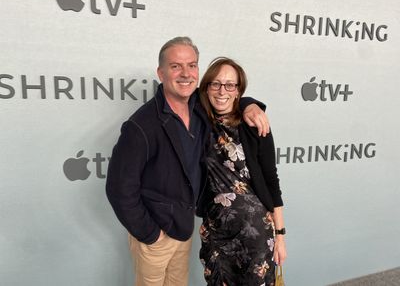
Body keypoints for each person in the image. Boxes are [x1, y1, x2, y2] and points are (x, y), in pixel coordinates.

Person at [105, 37, 270, 286]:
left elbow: (227, 96)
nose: (185, 74)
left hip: (184, 229)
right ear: (160, 73)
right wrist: (150, 234)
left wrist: (250, 105)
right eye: (176, 66)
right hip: (155, 235)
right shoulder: (141, 126)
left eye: (192, 65)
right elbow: (119, 189)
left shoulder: (199, 108)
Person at [197, 57, 286, 286]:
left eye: (230, 85)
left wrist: (281, 235)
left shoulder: (254, 125)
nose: (222, 91)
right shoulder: (197, 121)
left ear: (238, 90)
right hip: (216, 232)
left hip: (255, 233)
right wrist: (250, 102)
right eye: (215, 84)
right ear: (206, 88)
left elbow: (271, 181)